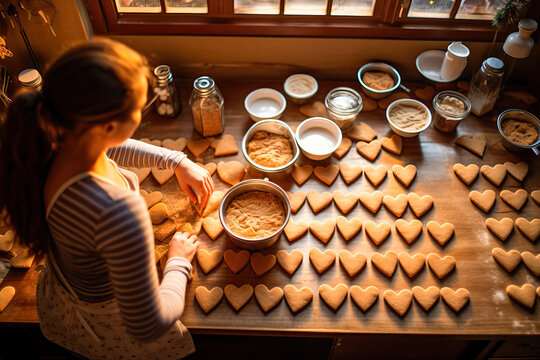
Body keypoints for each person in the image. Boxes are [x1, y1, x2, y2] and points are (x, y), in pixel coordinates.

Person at [0, 38, 214, 359]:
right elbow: (147, 326)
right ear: (111, 124)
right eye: (141, 107)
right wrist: (178, 263)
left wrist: (176, 161)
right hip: (109, 321)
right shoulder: (115, 210)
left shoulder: (50, 141)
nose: (144, 111)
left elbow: (107, 145)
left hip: (66, 288)